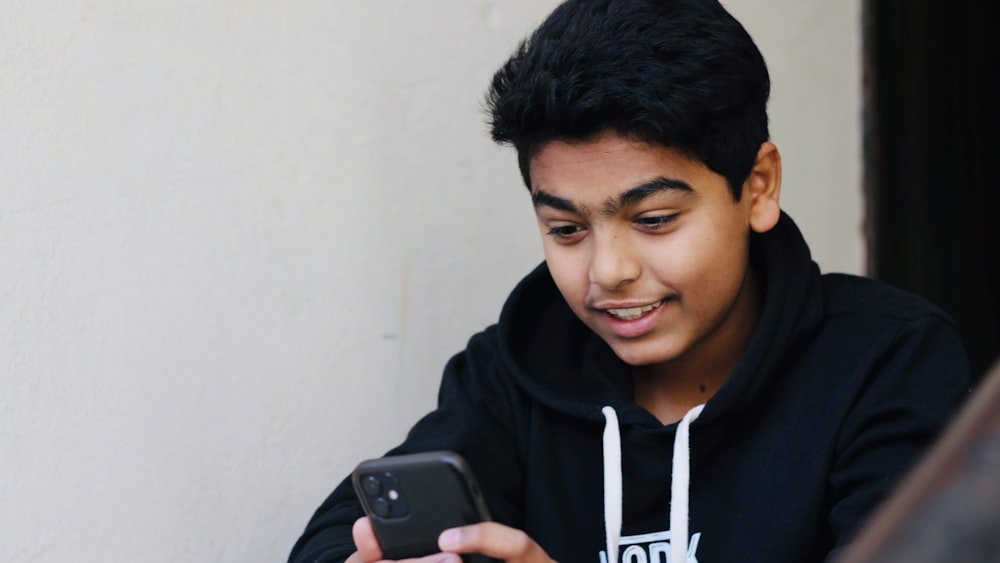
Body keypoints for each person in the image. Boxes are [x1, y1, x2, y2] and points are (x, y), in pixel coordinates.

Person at [289, 0, 970, 561]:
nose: (608, 272)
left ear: (757, 187)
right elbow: (326, 541)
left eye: (654, 218)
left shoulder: (885, 361)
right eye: (566, 229)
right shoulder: (512, 373)